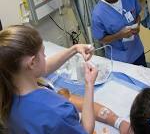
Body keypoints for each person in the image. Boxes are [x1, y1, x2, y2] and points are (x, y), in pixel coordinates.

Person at [0, 25, 129, 134]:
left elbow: (43, 68)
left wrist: (74, 49)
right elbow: (86, 129)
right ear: (32, 63)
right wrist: (89, 84)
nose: (45, 56)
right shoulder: (56, 111)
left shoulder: (7, 93)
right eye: (43, 52)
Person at [91, 0, 146, 66]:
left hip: (137, 50)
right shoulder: (98, 13)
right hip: (119, 58)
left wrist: (137, 25)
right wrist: (119, 35)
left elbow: (137, 14)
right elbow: (101, 39)